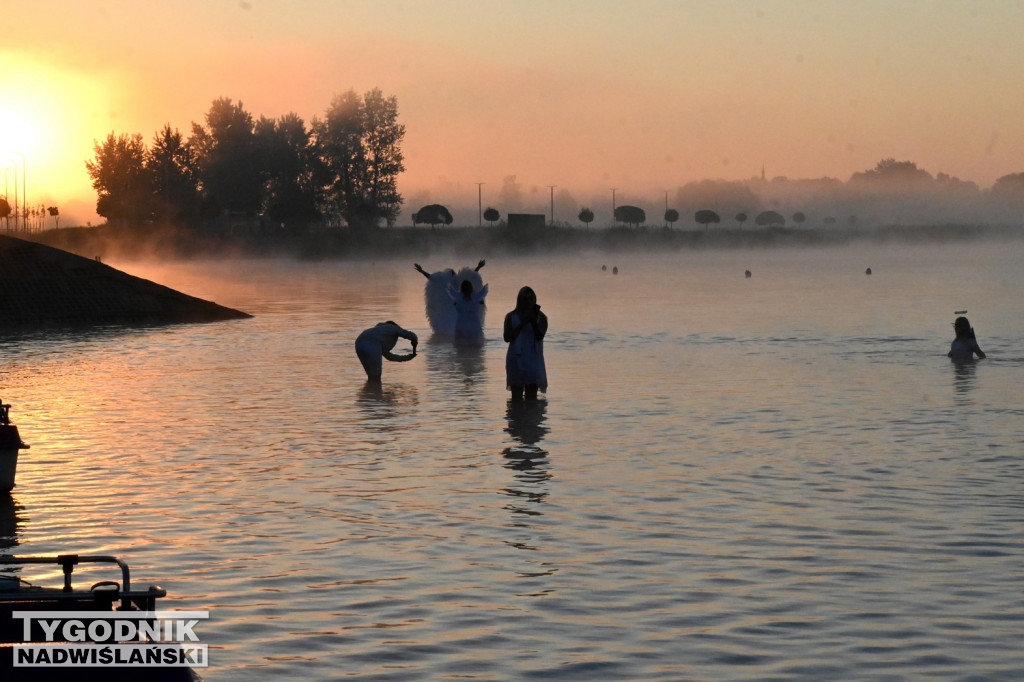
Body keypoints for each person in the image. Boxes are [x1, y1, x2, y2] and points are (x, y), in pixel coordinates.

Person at [414, 260, 486, 335]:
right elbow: (471, 276)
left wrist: (421, 271)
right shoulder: (458, 287)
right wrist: (479, 267)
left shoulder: (449, 286)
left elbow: (432, 278)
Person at [504, 286, 548, 401]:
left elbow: (540, 336)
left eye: (531, 299)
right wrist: (523, 323)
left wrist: (533, 322)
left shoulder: (541, 317)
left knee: (531, 398)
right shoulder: (511, 316)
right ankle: (517, 417)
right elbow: (507, 337)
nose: (529, 302)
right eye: (526, 299)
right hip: (516, 359)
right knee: (516, 398)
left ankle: (530, 418)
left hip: (534, 359)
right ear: (520, 300)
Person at [449, 279, 489, 345]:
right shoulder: (476, 296)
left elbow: (451, 291)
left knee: (459, 346)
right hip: (474, 324)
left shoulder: (457, 296)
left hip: (461, 324)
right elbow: (483, 293)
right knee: (475, 346)